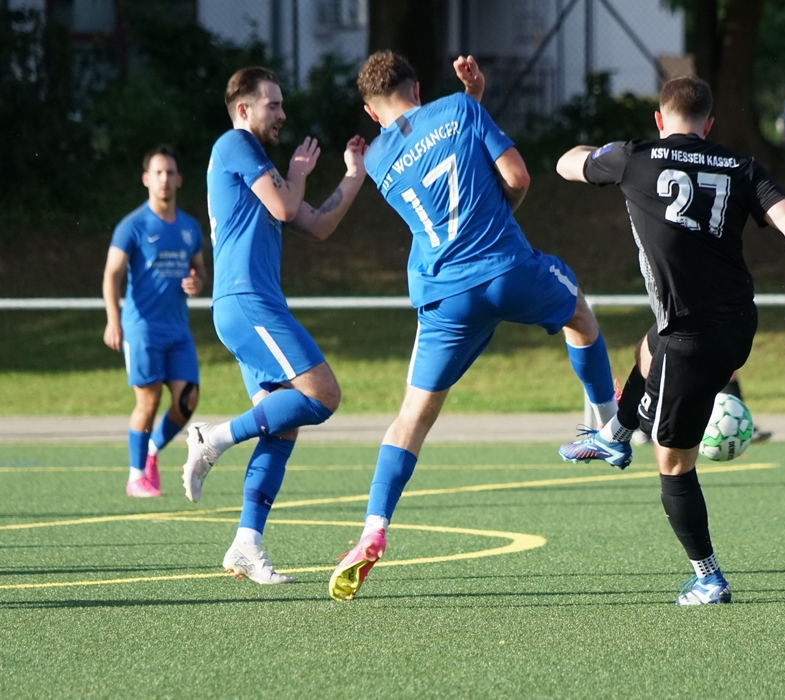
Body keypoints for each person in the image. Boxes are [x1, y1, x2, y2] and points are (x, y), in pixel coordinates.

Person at [328, 52, 619, 601]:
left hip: (445, 296)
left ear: (370, 112)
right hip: (505, 268)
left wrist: (471, 103)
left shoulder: (378, 160)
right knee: (579, 314)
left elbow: (430, 161)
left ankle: (373, 528)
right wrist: (475, 106)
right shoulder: (460, 109)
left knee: (411, 419)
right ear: (417, 86)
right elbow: (515, 176)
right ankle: (609, 427)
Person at [556, 76, 785, 604]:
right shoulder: (741, 166)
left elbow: (569, 163)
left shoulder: (633, 157)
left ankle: (708, 577)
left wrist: (605, 153)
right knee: (647, 345)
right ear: (709, 124)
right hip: (736, 327)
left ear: (659, 119)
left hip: (690, 340)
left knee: (674, 464)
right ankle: (614, 434)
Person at [182, 66, 368, 584]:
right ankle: (212, 437)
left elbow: (317, 225)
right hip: (248, 303)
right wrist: (298, 173)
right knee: (323, 395)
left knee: (282, 423)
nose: (283, 113)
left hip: (250, 305)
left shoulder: (257, 167)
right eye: (274, 104)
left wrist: (354, 173)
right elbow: (287, 207)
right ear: (243, 109)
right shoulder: (236, 144)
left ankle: (246, 543)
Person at [103, 145, 207, 498]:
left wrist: (197, 282)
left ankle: (151, 451)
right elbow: (112, 275)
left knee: (187, 400)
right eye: (158, 173)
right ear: (146, 179)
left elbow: (199, 270)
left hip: (178, 329)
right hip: (142, 328)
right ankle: (136, 477)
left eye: (170, 173)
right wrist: (113, 320)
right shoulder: (132, 226)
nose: (164, 179)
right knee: (147, 402)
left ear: (179, 179)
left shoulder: (190, 227)